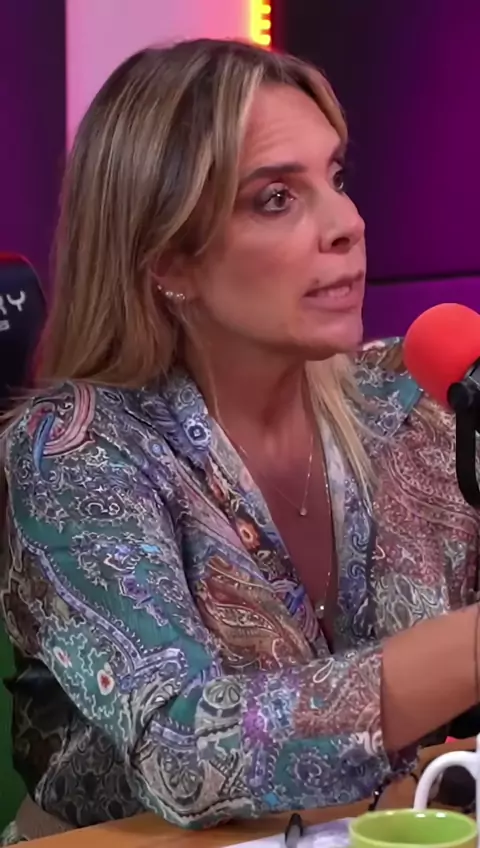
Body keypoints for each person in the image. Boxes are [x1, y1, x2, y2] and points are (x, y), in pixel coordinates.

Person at [0, 37, 479, 842]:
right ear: (168, 260)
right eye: (276, 198)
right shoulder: (75, 450)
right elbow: (186, 749)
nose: (348, 225)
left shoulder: (421, 393)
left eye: (336, 179)